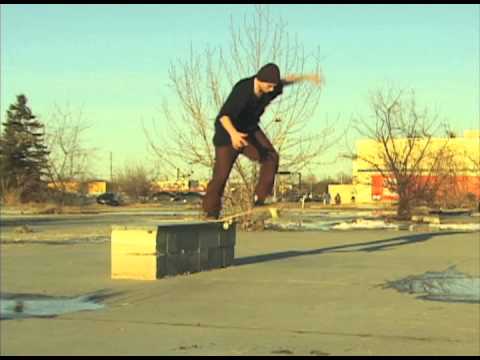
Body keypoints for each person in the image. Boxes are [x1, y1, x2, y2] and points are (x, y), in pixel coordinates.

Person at [202, 63, 321, 219]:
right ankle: (211, 212)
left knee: (270, 156)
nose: (272, 90)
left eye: (274, 87)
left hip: (249, 130)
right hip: (227, 135)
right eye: (269, 86)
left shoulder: (270, 88)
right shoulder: (243, 90)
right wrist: (234, 135)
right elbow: (224, 116)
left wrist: (306, 77)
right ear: (260, 80)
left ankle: (260, 199)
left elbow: (285, 81)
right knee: (221, 176)